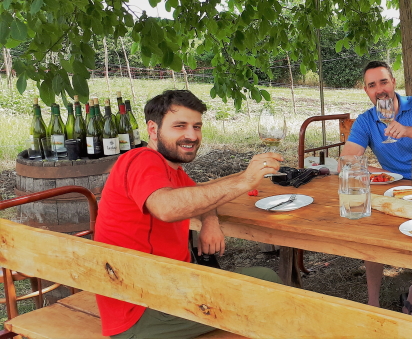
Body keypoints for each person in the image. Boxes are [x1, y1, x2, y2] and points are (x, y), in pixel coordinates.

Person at [95, 90, 284, 339]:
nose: (192, 135)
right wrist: (243, 181)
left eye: (197, 126)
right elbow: (166, 207)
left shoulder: (172, 170)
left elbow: (201, 194)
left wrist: (211, 220)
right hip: (141, 310)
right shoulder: (142, 160)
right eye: (180, 126)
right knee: (273, 300)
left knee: (266, 279)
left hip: (172, 289)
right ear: (153, 129)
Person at [340, 61, 412, 316]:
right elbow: (347, 161)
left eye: (383, 82)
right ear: (366, 92)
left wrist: (409, 131)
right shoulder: (366, 121)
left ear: (393, 84)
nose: (379, 89)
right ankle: (373, 303)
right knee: (371, 236)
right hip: (397, 189)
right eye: (372, 85)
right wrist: (372, 170)